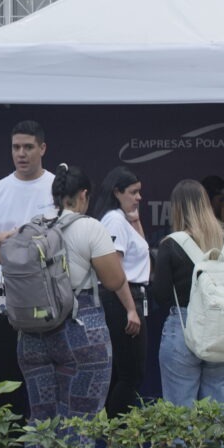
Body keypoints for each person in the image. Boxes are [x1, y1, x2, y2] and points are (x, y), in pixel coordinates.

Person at [17, 164, 126, 448]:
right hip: (80, 333)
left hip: (33, 334)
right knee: (79, 420)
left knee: (41, 420)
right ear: (83, 195)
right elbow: (115, 280)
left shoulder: (33, 226)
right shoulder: (89, 227)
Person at [151, 179, 224, 448]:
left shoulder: (171, 244)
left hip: (184, 328)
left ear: (176, 208)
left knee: (181, 416)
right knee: (220, 412)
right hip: (222, 331)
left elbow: (160, 296)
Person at [0, 120, 56, 418]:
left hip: (48, 296)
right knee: (7, 374)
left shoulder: (56, 188)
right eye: (16, 147)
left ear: (42, 148)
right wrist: (4, 238)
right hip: (4, 293)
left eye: (28, 147)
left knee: (48, 371)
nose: (21, 154)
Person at [93, 167, 146, 417]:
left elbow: (143, 254)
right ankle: (115, 435)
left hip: (128, 297)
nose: (138, 198)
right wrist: (131, 309)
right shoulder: (114, 218)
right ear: (117, 192)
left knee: (124, 373)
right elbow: (113, 270)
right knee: (129, 374)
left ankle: (113, 438)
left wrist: (135, 221)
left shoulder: (123, 219)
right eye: (133, 192)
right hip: (122, 298)